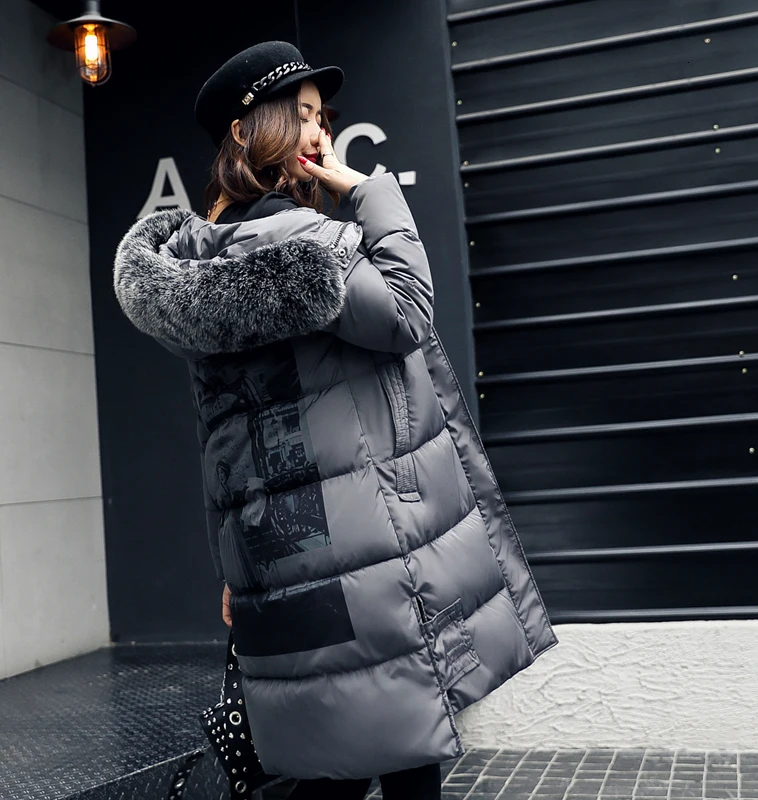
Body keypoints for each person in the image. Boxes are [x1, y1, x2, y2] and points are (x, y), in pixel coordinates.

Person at [113, 41, 557, 800]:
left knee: (330, 762)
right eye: (305, 115)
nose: (322, 133)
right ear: (247, 131)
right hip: (367, 556)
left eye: (324, 116)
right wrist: (369, 191)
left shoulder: (201, 257)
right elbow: (408, 312)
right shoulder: (302, 239)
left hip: (282, 562)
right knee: (400, 754)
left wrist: (232, 567)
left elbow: (225, 436)